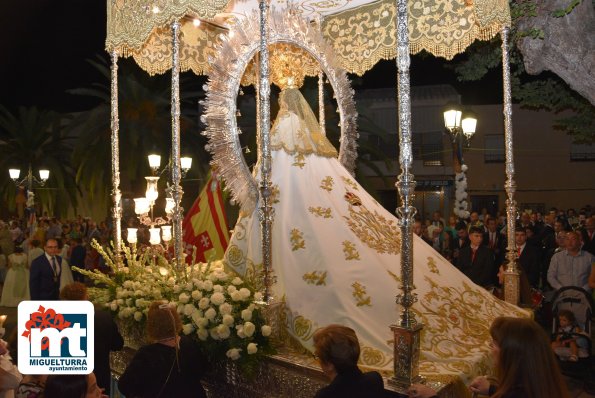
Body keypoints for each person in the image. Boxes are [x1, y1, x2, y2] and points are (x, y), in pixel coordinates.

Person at [407, 317, 569, 398]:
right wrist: (492, 389)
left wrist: (432, 396)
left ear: (512, 354)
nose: (491, 349)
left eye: (494, 344)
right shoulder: (541, 380)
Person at [118, 301, 209, 398]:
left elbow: (124, 386)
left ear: (152, 325)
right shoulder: (188, 344)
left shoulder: (147, 354)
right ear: (175, 320)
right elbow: (201, 370)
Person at [60, 283, 123, 395]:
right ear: (86, 298)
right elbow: (117, 344)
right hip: (100, 378)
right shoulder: (104, 318)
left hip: (68, 382)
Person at [313, 324, 384, 398]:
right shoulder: (374, 379)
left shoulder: (325, 395)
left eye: (318, 356)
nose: (318, 361)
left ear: (329, 365)